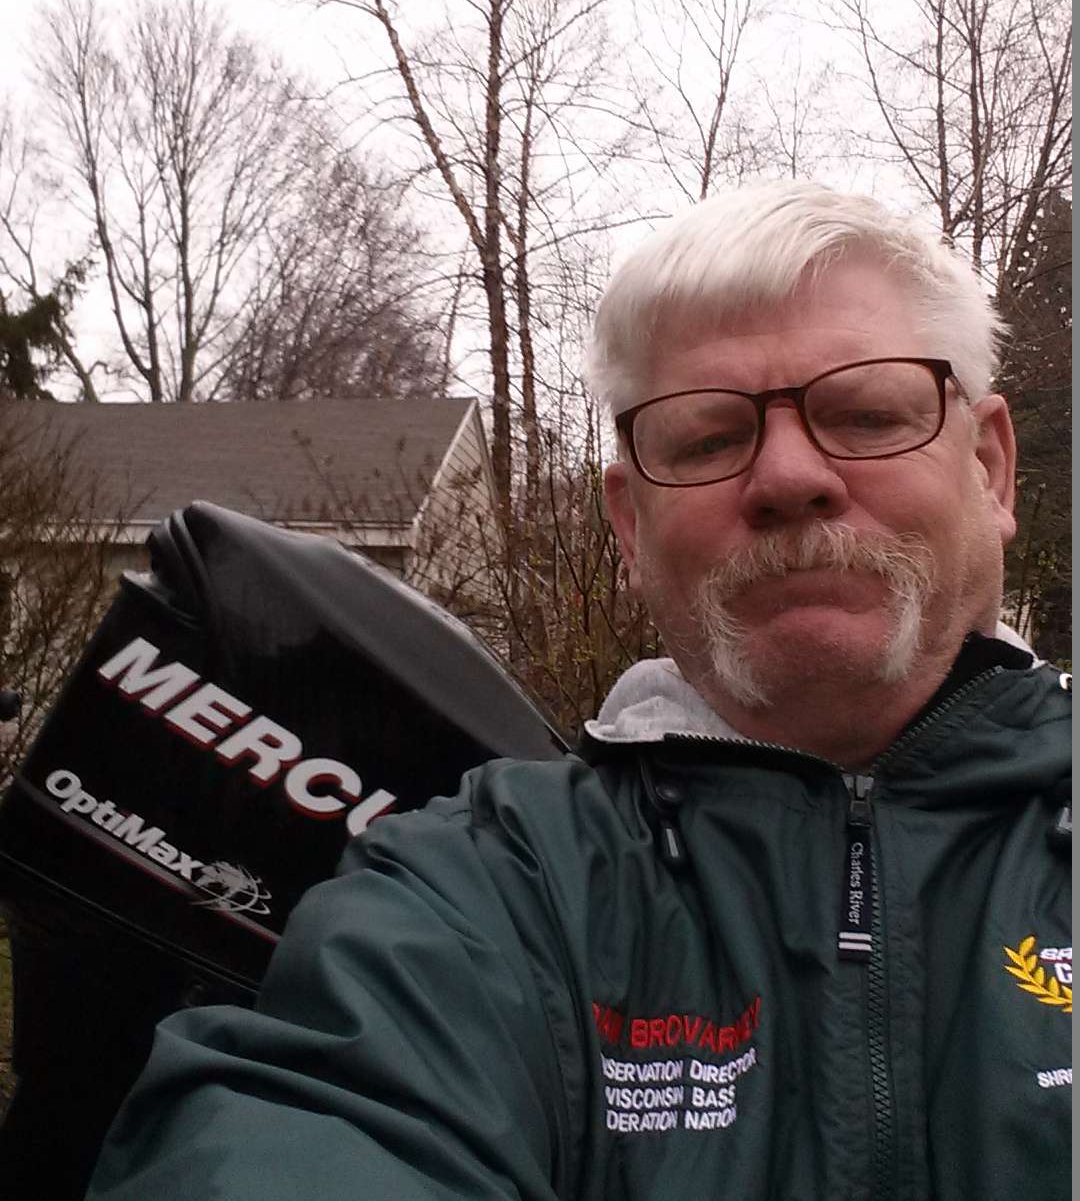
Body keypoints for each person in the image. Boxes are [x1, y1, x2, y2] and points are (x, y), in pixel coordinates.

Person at [87, 181, 1071, 1200]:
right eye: (707, 439)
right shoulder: (485, 887)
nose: (787, 476)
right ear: (632, 527)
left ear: (991, 469)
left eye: (866, 414)